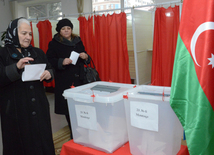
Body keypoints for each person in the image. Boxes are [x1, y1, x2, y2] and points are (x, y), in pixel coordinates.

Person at [0, 17, 55, 155]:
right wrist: (16, 67)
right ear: (13, 33)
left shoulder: (38, 53)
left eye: (30, 34)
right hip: (15, 111)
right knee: (20, 144)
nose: (28, 37)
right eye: (24, 33)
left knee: (42, 141)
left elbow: (50, 68)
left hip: (39, 108)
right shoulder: (2, 54)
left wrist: (49, 73)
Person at [46, 18, 90, 139]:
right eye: (63, 29)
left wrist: (85, 56)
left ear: (71, 29)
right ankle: (74, 132)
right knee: (69, 107)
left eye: (68, 28)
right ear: (59, 31)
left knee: (82, 105)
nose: (66, 31)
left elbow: (86, 55)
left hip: (80, 79)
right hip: (65, 79)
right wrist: (61, 61)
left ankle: (85, 128)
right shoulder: (54, 43)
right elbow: (49, 60)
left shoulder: (77, 41)